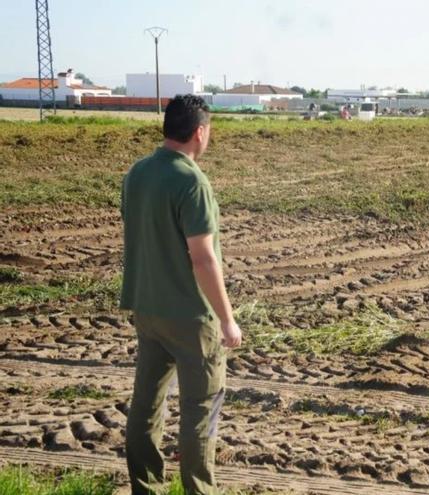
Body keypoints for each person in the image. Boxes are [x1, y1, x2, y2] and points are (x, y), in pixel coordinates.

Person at [120, 94, 242, 495]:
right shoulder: (192, 181)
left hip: (147, 310)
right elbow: (204, 259)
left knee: (146, 406)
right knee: (201, 411)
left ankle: (146, 487)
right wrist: (226, 319)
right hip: (191, 318)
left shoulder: (137, 173)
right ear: (199, 132)